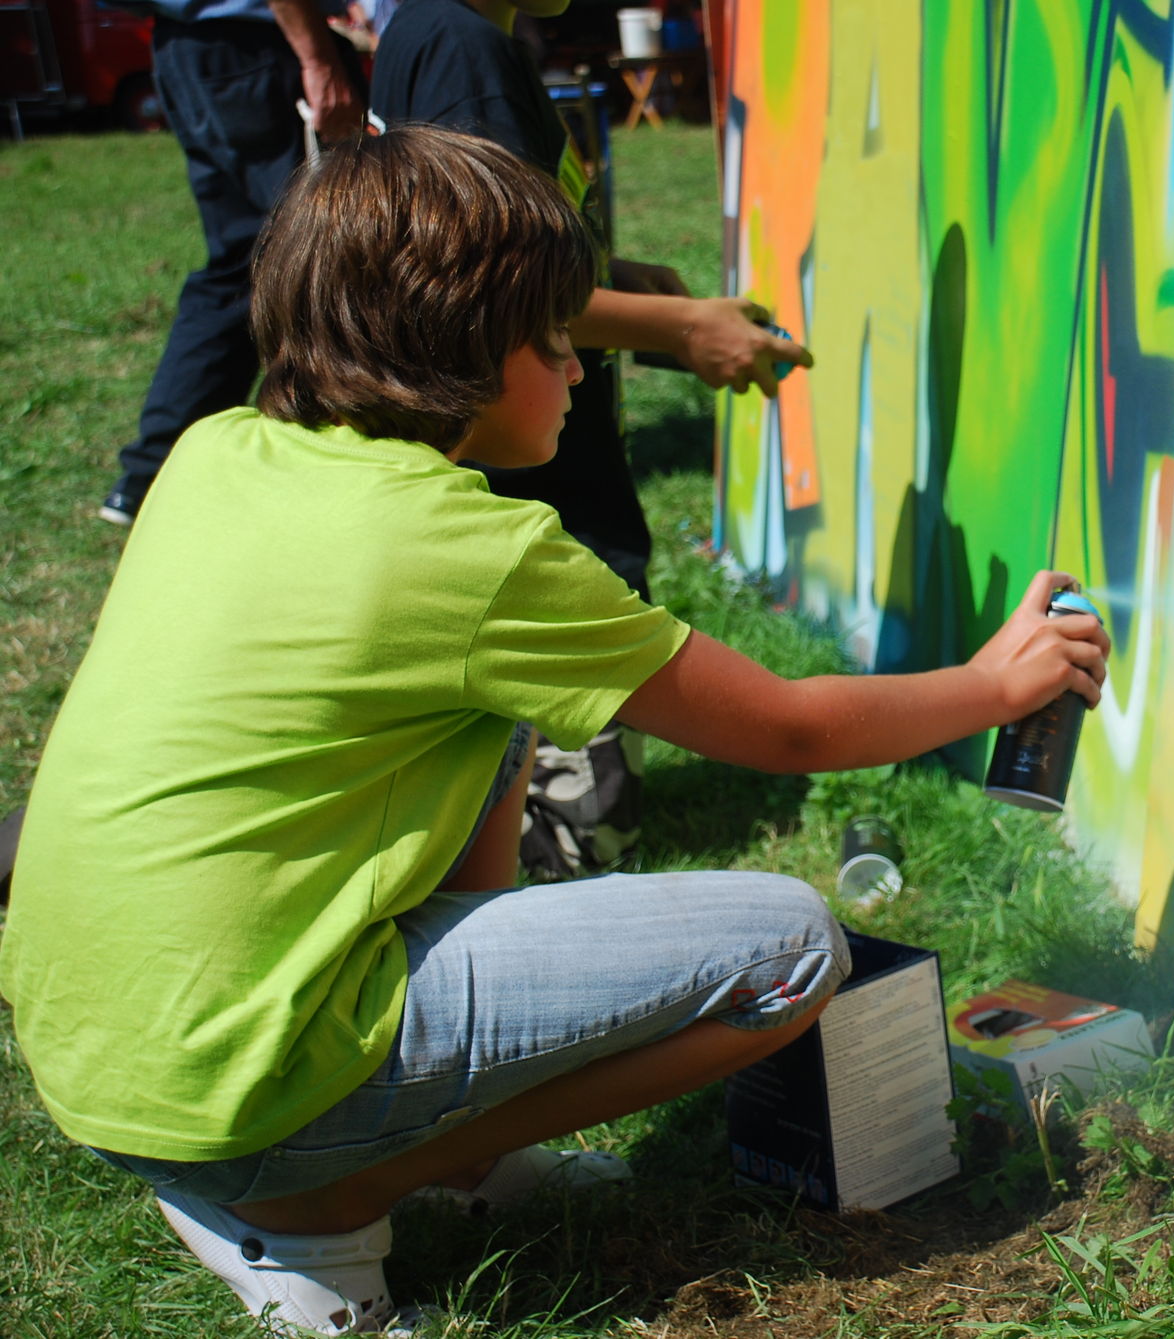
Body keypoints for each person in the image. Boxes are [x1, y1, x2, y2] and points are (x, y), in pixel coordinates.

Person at [0, 128, 1109, 1336]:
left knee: (502, 717)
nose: (577, 369)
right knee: (791, 947)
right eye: (552, 341)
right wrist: (996, 687)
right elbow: (788, 730)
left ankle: (410, 1156)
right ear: (465, 356)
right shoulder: (467, 553)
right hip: (233, 1070)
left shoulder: (220, 451)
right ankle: (323, 1203)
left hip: (102, 1052)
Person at [370, 0, 805, 879]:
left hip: (519, 462)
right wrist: (679, 327)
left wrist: (627, 288)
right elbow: (497, 288)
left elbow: (506, 258)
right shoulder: (466, 50)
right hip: (542, 489)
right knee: (576, 843)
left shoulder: (442, 30)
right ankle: (547, 870)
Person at [100, 0, 366, 526]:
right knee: (319, 258)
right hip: (259, 51)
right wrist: (318, 59)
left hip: (187, 50)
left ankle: (153, 473)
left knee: (240, 263)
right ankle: (338, 455)